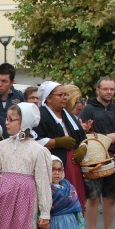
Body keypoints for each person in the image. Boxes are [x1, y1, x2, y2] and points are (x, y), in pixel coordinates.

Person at [78, 76, 115, 229]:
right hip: (94, 160)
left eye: (111, 89)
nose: (109, 92)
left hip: (114, 158)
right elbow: (81, 134)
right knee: (92, 198)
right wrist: (106, 137)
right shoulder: (88, 109)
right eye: (105, 89)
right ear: (97, 90)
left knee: (110, 198)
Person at [34, 81, 89, 210]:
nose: (65, 98)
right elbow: (34, 140)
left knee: (75, 199)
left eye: (66, 94)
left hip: (72, 166)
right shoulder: (39, 116)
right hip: (52, 167)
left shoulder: (69, 116)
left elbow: (83, 138)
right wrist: (56, 142)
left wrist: (83, 148)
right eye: (60, 95)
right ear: (48, 98)